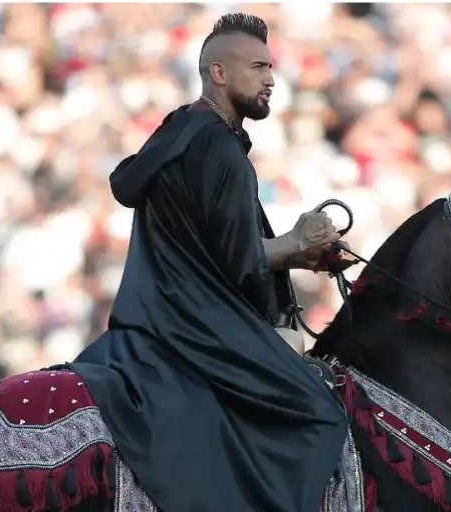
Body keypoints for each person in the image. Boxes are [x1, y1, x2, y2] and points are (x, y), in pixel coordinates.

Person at [71, 13, 348, 512]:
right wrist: (296, 239)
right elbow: (237, 262)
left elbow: (209, 248)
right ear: (219, 73)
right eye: (259, 67)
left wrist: (298, 253)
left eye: (272, 69)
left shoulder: (182, 129)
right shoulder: (220, 147)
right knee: (319, 414)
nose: (270, 80)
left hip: (154, 318)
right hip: (197, 326)